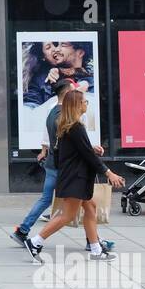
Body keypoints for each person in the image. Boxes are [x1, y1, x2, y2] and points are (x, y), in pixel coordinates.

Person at [21, 90, 125, 262]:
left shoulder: (68, 126)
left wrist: (89, 149)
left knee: (90, 208)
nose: (86, 104)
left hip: (74, 175)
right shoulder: (75, 127)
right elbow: (87, 156)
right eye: (85, 101)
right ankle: (35, 242)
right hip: (75, 177)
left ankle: (96, 249)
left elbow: (75, 151)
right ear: (77, 105)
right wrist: (109, 173)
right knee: (67, 215)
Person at [11, 79, 74, 245]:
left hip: (53, 163)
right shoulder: (63, 113)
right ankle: (94, 241)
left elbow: (47, 135)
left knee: (46, 199)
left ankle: (23, 230)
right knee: (82, 201)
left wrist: (44, 150)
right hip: (64, 165)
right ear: (67, 93)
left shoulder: (52, 109)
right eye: (73, 90)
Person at [21, 40, 94, 108]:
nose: (55, 49)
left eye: (63, 45)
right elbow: (30, 106)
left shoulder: (92, 80)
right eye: (48, 47)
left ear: (80, 53)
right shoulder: (41, 79)